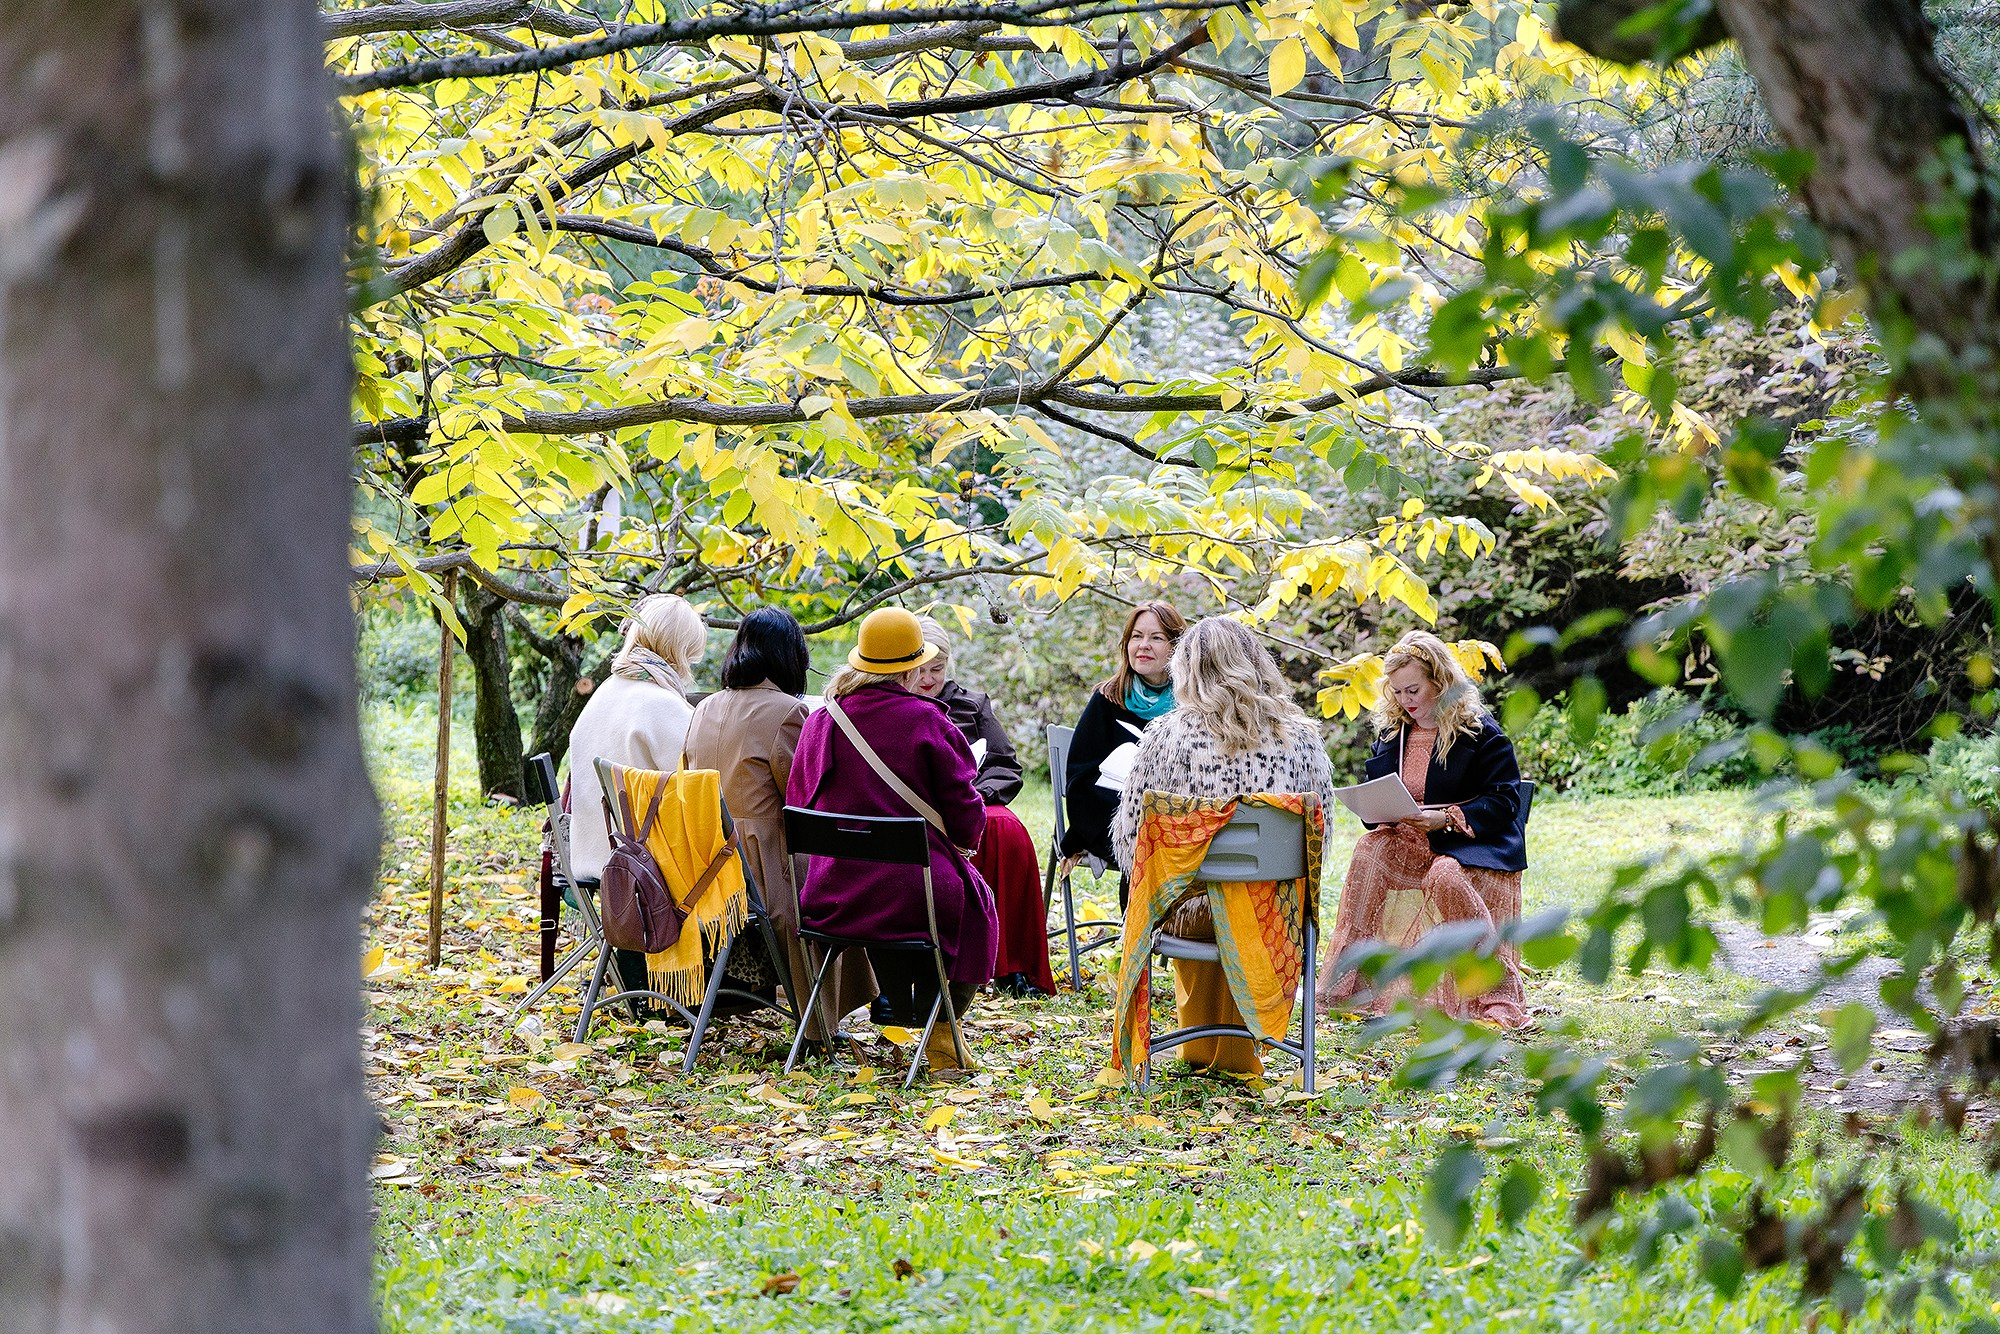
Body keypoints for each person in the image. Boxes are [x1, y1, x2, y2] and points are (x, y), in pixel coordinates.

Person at [1110, 617, 1335, 1075]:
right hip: (1276, 914)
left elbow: (1131, 842)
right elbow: (1321, 837)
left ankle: (1200, 1046)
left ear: (1186, 670)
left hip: (1194, 914)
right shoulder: (1305, 740)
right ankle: (1241, 1049)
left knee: (1192, 890)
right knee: (1240, 897)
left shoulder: (1164, 738)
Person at [786, 607, 998, 1070]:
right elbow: (964, 815)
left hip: (831, 893)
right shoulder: (928, 720)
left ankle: (899, 1016)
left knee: (921, 902)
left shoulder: (823, 719)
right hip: (913, 895)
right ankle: (941, 1036)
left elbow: (798, 799)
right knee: (973, 905)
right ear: (912, 665)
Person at [1317, 630, 1530, 1028]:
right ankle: (1350, 983)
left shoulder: (1480, 733)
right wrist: (1378, 808)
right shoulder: (1393, 734)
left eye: (1413, 689)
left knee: (1444, 874)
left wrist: (1446, 818)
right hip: (1412, 839)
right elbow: (1380, 796)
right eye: (1397, 692)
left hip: (1469, 845)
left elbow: (1506, 802)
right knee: (1368, 850)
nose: (1405, 700)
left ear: (1440, 682)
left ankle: (1497, 990)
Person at [681, 608, 875, 1037]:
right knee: (835, 887)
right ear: (792, 656)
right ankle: (821, 1021)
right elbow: (804, 797)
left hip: (708, 863)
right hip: (763, 865)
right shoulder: (788, 712)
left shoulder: (704, 707)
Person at [910, 617, 1058, 998]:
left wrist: (976, 794)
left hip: (973, 802)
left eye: (937, 669)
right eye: (919, 670)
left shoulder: (970, 705)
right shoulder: (897, 705)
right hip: (916, 810)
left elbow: (1005, 765)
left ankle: (1014, 963)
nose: (928, 679)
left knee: (1005, 829)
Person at [568, 592, 707, 881]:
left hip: (592, 855)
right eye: (689, 656)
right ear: (676, 651)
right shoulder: (662, 704)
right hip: (644, 864)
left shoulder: (604, 691)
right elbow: (698, 785)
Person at [1060, 602, 1187, 875]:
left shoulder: (1192, 702)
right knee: (1147, 850)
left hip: (1173, 816)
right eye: (1136, 636)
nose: (1143, 645)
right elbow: (1081, 778)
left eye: (1156, 638)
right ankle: (1135, 918)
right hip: (1109, 814)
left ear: (1177, 647)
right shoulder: (1107, 699)